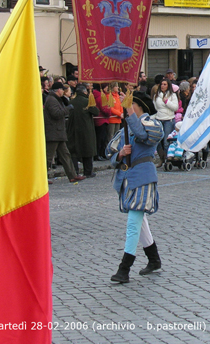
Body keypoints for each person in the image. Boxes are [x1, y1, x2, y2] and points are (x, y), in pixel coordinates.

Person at [106, 90, 165, 283]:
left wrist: (129, 112)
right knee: (139, 221)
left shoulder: (153, 124)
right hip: (127, 179)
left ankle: (124, 269)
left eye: (130, 104)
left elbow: (142, 135)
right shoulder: (125, 129)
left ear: (137, 106)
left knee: (133, 223)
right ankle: (154, 260)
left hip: (143, 178)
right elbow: (110, 153)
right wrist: (121, 154)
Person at [44, 81, 85, 184]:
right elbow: (56, 114)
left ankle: (72, 176)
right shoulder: (52, 100)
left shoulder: (56, 99)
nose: (63, 91)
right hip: (53, 133)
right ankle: (42, 178)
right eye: (62, 89)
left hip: (58, 133)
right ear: (58, 90)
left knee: (66, 155)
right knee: (48, 157)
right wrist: (67, 109)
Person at [67, 84, 99, 177]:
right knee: (87, 150)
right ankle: (88, 171)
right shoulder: (87, 101)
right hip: (86, 129)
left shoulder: (71, 101)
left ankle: (75, 172)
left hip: (73, 129)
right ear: (84, 92)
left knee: (74, 151)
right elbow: (96, 112)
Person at [151, 78, 178, 161]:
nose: (162, 86)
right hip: (159, 118)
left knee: (167, 141)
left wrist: (167, 102)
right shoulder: (157, 95)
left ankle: (167, 159)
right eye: (161, 84)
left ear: (168, 86)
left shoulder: (172, 95)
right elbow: (156, 107)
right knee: (158, 140)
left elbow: (175, 107)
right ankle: (162, 158)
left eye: (165, 84)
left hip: (168, 119)